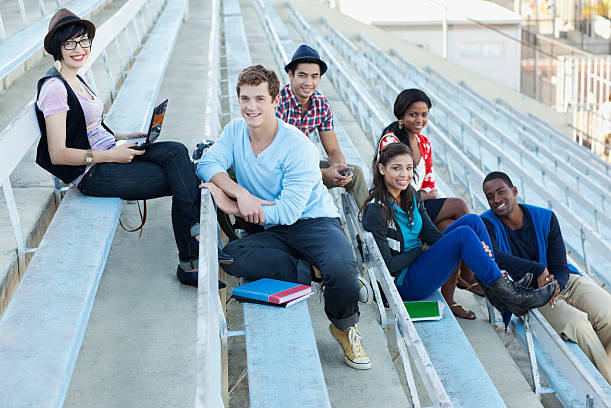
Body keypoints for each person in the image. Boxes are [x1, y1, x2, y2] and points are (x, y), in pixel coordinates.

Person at [34, 9, 228, 288]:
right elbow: (58, 153)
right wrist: (111, 154)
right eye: (70, 44)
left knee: (176, 151)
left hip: (111, 151)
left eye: (83, 41)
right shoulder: (55, 88)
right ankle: (191, 251)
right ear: (57, 48)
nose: (79, 49)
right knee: (185, 176)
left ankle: (192, 247)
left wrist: (125, 136)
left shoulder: (78, 77)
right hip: (91, 172)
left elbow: (89, 126)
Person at [197, 65, 372, 370]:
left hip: (313, 221)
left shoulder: (298, 146)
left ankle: (344, 327)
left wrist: (231, 204)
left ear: (276, 101)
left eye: (260, 99)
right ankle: (315, 272)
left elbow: (288, 212)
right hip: (272, 227)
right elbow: (207, 163)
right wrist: (240, 192)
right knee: (230, 258)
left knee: (344, 270)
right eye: (245, 99)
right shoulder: (234, 130)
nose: (251, 107)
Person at [361, 141, 555, 317]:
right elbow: (386, 265)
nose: (404, 175)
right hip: (404, 282)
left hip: (419, 263)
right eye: (397, 168)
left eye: (409, 168)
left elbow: (430, 233)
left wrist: (478, 249)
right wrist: (422, 250)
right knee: (463, 235)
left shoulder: (410, 194)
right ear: (382, 169)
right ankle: (507, 294)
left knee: (472, 221)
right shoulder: (376, 211)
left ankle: (499, 290)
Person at [482, 171, 611, 384]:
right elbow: (495, 256)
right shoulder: (486, 224)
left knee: (609, 312)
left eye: (500, 192)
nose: (496, 200)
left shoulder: (545, 217)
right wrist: (537, 269)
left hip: (562, 280)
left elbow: (560, 265)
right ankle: (606, 390)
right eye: (489, 196)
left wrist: (555, 285)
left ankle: (604, 375)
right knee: (578, 324)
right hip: (528, 294)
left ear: (514, 191)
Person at [378, 89, 484, 319]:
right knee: (459, 206)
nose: (419, 120)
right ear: (401, 115)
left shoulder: (424, 142)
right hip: (402, 206)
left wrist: (422, 196)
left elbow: (429, 183)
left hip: (420, 204)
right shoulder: (391, 139)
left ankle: (450, 298)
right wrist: (420, 195)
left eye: (424, 115)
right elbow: (394, 183)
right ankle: (469, 275)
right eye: (413, 114)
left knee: (450, 226)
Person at [276, 44, 369, 205]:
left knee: (356, 173)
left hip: (305, 165)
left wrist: (339, 168)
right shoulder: (278, 103)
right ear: (291, 75)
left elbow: (333, 150)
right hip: (278, 169)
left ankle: (372, 228)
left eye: (314, 76)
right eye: (303, 75)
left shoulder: (320, 104)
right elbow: (276, 158)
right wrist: (324, 173)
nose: (308, 82)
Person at [598, 93, 611, 161]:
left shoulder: (604, 105)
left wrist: (600, 128)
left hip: (605, 128)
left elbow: (600, 116)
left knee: (603, 145)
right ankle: (610, 161)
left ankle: (603, 159)